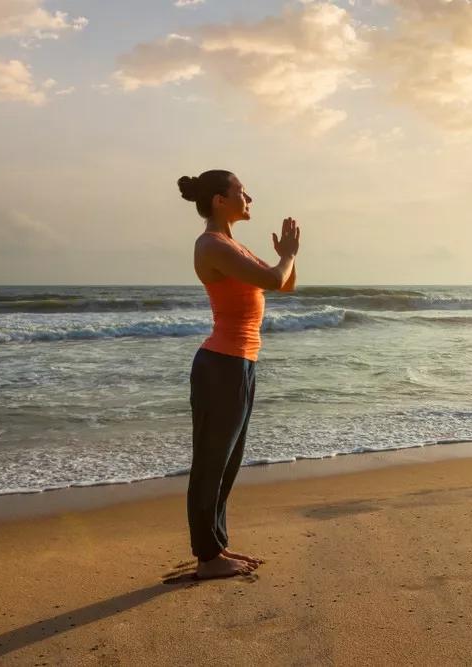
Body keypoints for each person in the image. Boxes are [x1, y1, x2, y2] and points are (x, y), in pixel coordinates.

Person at [177, 169, 299, 580]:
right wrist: (288, 256)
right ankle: (207, 556)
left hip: (242, 362)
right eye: (242, 192)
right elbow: (272, 277)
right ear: (219, 200)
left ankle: (217, 545)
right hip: (220, 366)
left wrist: (288, 255)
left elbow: (284, 285)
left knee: (229, 462)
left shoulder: (233, 244)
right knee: (211, 463)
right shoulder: (211, 245)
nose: (249, 197)